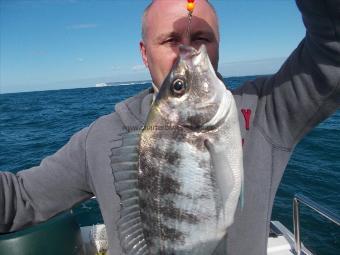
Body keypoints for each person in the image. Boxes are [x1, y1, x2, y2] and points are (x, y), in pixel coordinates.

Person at [0, 0, 339, 254]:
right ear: (144, 54)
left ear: (219, 46)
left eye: (203, 37)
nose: (188, 50)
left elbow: (332, 50)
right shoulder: (100, 136)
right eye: (170, 40)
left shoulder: (269, 109)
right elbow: (21, 198)